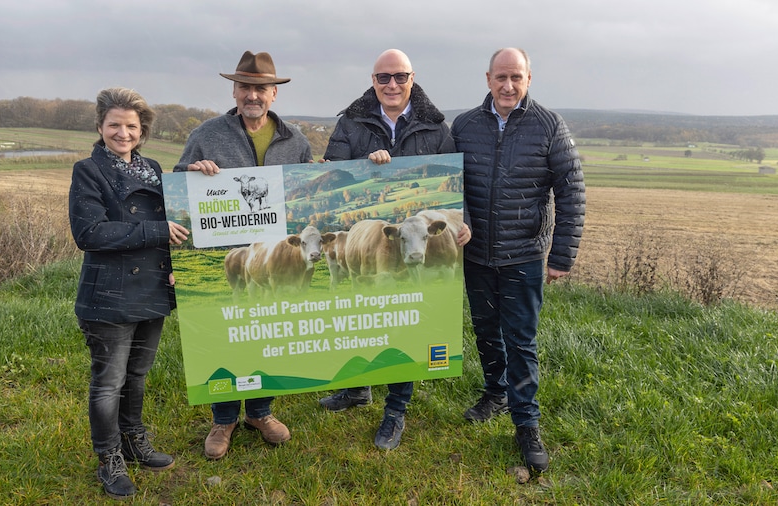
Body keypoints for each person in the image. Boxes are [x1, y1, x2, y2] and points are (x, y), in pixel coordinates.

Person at [318, 49, 469, 450]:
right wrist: (366, 169)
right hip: (371, 238)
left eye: (400, 77)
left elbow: (454, 184)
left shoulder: (436, 129)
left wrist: (463, 220)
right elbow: (332, 174)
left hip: (414, 245)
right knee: (359, 314)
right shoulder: (350, 124)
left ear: (412, 79)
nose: (392, 85)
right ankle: (356, 388)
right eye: (383, 78)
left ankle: (395, 410)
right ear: (372, 81)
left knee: (405, 322)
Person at [451, 48, 586, 473]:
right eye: (501, 77)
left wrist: (561, 254)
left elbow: (571, 191)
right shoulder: (465, 125)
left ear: (529, 79)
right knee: (486, 330)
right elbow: (452, 185)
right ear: (488, 78)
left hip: (524, 254)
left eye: (517, 77)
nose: (508, 86)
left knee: (521, 341)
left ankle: (526, 425)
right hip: (475, 254)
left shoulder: (549, 125)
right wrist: (465, 223)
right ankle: (495, 392)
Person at [173, 50, 312, 460]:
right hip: (225, 254)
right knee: (225, 331)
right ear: (234, 91)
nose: (252, 95)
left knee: (266, 330)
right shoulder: (207, 134)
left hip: (272, 257)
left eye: (260, 89)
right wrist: (193, 171)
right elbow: (179, 186)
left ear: (273, 94)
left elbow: (301, 196)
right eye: (244, 87)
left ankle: (261, 412)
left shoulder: (296, 141)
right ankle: (223, 418)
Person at [69, 87, 190, 498]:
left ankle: (134, 441)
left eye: (131, 126)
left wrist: (178, 268)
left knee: (136, 376)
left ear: (143, 131)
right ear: (101, 126)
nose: (123, 133)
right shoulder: (88, 170)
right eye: (115, 125)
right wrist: (155, 230)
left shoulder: (154, 168)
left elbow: (178, 220)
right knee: (109, 382)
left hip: (151, 289)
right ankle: (109, 458)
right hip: (109, 295)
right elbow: (89, 233)